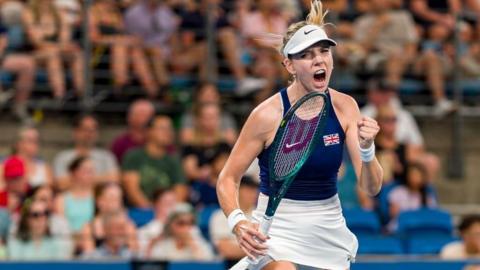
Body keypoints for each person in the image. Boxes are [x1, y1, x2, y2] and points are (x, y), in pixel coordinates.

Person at [216, 1, 383, 269]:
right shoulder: (266, 115)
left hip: (328, 230)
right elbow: (227, 178)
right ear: (289, 65)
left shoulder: (345, 107)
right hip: (275, 229)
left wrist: (367, 150)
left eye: (324, 51)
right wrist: (238, 221)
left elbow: (371, 188)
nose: (318, 59)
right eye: (305, 55)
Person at [122, 115, 188, 207]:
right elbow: (132, 190)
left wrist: (170, 210)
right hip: (139, 211)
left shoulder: (174, 160)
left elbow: (181, 190)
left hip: (168, 211)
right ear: (149, 131)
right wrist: (150, 209)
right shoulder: (134, 156)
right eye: (162, 128)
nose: (168, 132)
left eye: (170, 129)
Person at [53, 114, 119, 191]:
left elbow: (115, 179)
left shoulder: (106, 156)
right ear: (75, 132)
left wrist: (77, 180)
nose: (89, 134)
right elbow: (62, 184)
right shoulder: (63, 157)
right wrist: (101, 179)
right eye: (85, 129)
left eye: (92, 130)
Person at [209, 176, 259, 266]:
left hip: (258, 265)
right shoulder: (219, 216)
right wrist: (257, 250)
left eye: (255, 190)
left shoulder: (260, 215)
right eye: (248, 190)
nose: (253, 194)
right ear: (237, 191)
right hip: (230, 264)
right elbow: (226, 250)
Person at [146, 203, 214, 261]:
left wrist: (194, 247)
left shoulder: (200, 243)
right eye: (181, 223)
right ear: (171, 225)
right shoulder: (162, 245)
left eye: (190, 223)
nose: (186, 228)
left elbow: (207, 265)